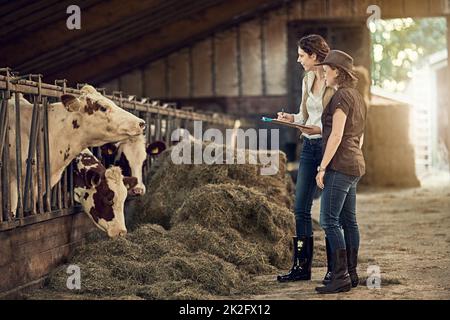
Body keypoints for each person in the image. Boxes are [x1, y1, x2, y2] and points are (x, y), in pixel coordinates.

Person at [276, 34, 335, 282]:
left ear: (314, 56)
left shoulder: (334, 81)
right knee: (300, 208)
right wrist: (290, 118)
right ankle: (301, 267)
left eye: (301, 55)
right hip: (309, 148)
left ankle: (335, 270)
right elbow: (304, 116)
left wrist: (318, 130)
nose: (298, 60)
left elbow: (337, 124)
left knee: (333, 214)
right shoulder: (307, 79)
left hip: (330, 147)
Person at [313, 50, 367, 294]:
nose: (324, 74)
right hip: (355, 162)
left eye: (326, 70)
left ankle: (340, 276)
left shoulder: (340, 98)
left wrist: (322, 167)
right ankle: (351, 273)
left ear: (337, 72)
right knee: (349, 221)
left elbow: (336, 135)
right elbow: (358, 136)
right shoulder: (357, 97)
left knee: (328, 221)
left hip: (340, 165)